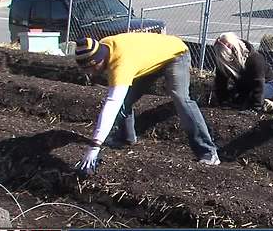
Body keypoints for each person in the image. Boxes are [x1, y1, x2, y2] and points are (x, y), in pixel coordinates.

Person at [74, 32, 221, 174]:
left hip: (175, 53)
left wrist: (94, 147)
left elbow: (112, 103)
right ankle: (125, 138)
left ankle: (207, 152)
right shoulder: (103, 47)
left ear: (99, 60)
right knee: (125, 101)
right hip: (148, 60)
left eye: (92, 69)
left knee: (180, 98)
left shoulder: (120, 64)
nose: (91, 73)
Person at [212, 32, 273, 114]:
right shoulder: (225, 61)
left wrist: (256, 107)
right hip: (245, 86)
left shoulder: (255, 59)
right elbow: (221, 81)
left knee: (249, 99)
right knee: (236, 98)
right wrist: (223, 100)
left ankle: (268, 104)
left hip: (267, 84)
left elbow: (258, 84)